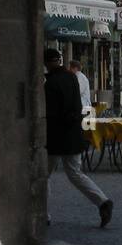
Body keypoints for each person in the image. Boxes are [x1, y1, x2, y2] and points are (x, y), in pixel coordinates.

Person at [44, 49, 112, 227]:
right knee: (75, 173)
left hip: (56, 136)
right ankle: (103, 201)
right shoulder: (71, 77)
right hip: (74, 132)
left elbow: (51, 112)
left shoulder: (50, 83)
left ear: (48, 63)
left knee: (44, 175)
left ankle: (43, 214)